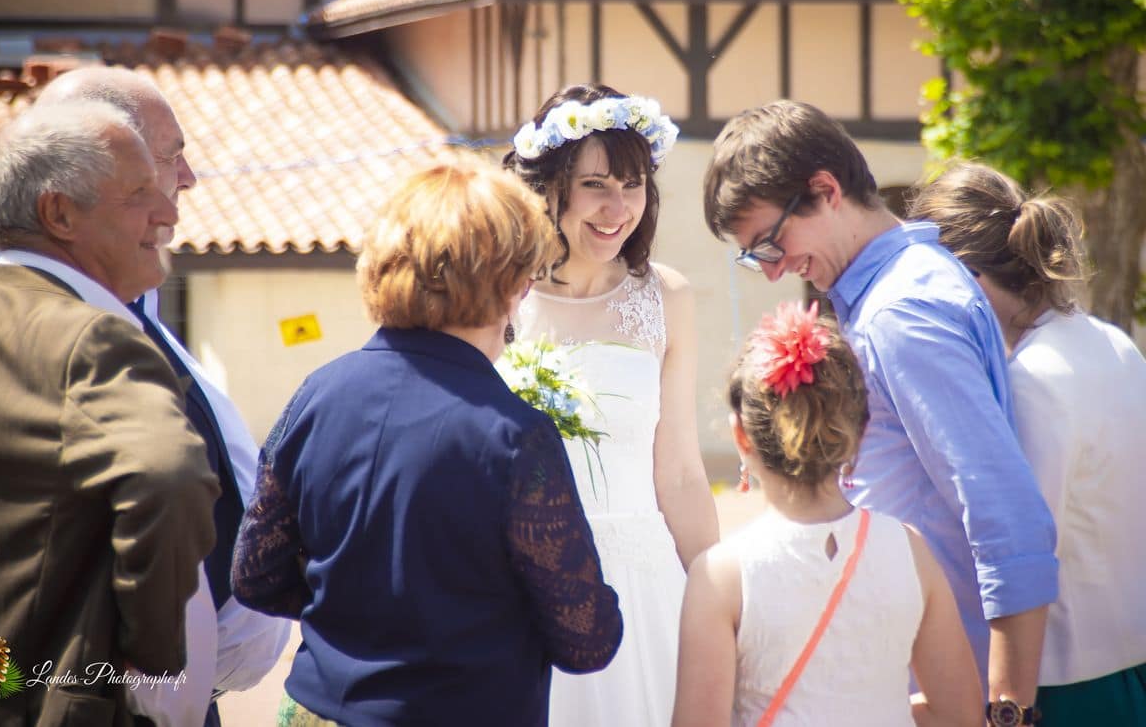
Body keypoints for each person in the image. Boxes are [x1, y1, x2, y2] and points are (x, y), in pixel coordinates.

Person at [231, 165, 623, 727]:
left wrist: (353, 610)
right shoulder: (513, 435)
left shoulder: (317, 394)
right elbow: (588, 641)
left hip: (316, 710)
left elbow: (255, 574)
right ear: (511, 283)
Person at [703, 100, 1058, 719]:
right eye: (756, 256)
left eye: (770, 242)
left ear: (825, 189)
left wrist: (1006, 709)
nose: (773, 271)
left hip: (951, 684)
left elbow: (1007, 514)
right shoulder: (900, 292)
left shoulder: (901, 312)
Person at [0, 66, 291, 727]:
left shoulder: (112, 309)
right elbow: (165, 484)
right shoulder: (76, 335)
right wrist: (154, 678)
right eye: (149, 175)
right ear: (61, 209)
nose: (178, 195)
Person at [0, 102, 218, 724]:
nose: (169, 211)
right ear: (59, 213)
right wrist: (149, 659)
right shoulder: (95, 338)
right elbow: (170, 479)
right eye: (138, 194)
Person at [504, 83, 719, 727]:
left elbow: (680, 472)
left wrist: (718, 602)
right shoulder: (500, 298)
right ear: (551, 188)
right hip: (520, 584)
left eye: (633, 185)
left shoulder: (666, 299)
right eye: (596, 184)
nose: (617, 208)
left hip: (641, 582)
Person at [908, 161, 1146, 724]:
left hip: (1069, 679)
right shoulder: (1112, 343)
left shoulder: (1030, 379)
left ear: (963, 274)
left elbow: (1022, 548)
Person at [672, 301, 981, 726]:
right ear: (858, 432)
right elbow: (960, 716)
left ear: (741, 436)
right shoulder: (910, 551)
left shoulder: (720, 576)